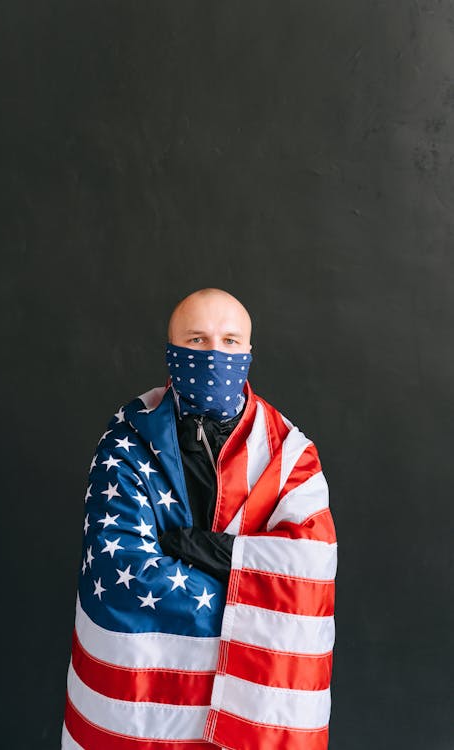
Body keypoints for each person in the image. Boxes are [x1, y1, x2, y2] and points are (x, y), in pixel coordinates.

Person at [61, 288, 337, 750]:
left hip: (250, 714)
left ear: (249, 352)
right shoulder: (127, 440)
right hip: (147, 708)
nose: (214, 354)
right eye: (197, 340)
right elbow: (125, 576)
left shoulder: (290, 453)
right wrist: (255, 590)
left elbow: (308, 571)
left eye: (230, 341)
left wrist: (187, 544)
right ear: (171, 352)